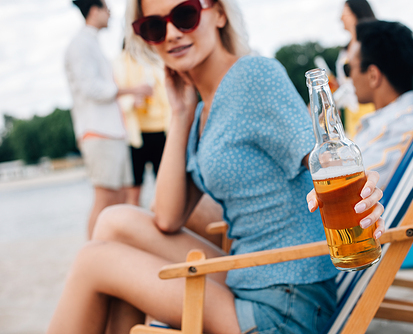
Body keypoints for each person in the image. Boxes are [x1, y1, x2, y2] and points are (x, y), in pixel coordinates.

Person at [48, 0, 385, 333]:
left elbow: (325, 157)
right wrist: (179, 114)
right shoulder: (200, 111)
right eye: (154, 26)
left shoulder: (254, 76)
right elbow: (166, 216)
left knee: (93, 261)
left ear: (220, 13)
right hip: (249, 277)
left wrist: (365, 192)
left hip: (286, 302)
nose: (171, 34)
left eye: (185, 15)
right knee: (113, 222)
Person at [65, 0, 154, 238]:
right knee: (105, 198)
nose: (110, 13)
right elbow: (91, 88)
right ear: (94, 11)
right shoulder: (80, 45)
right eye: (106, 8)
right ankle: (93, 256)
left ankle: (113, 250)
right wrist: (132, 90)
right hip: (98, 132)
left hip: (112, 133)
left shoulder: (91, 43)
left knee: (121, 198)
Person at [346, 19, 413, 189]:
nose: (348, 78)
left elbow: (352, 190)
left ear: (373, 75)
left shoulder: (404, 127)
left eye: (349, 68)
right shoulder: (396, 122)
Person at [114, 47, 171, 206]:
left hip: (163, 130)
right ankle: (135, 227)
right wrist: (132, 101)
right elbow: (114, 95)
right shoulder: (120, 62)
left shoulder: (159, 56)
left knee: (166, 187)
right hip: (134, 135)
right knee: (134, 189)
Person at [334, 0, 377, 137]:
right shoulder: (344, 50)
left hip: (370, 107)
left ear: (356, 13)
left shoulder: (370, 44)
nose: (340, 18)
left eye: (345, 13)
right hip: (351, 113)